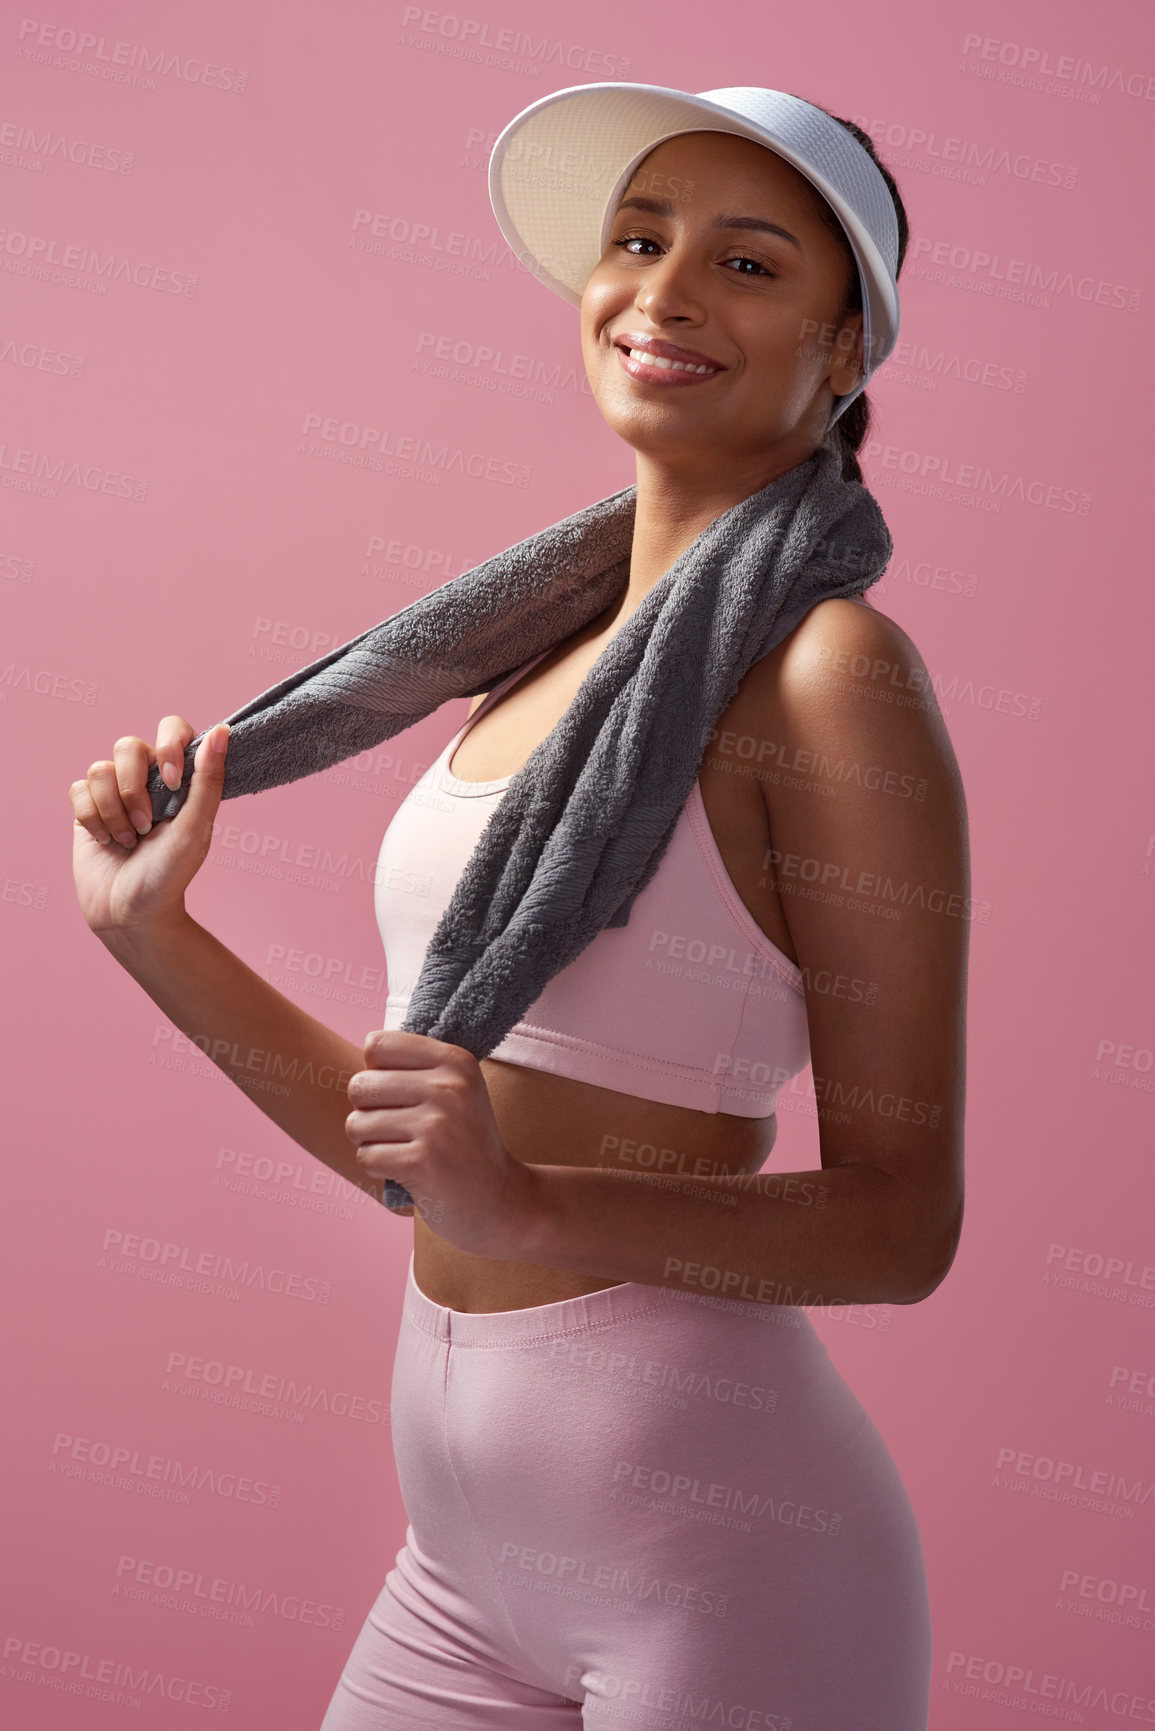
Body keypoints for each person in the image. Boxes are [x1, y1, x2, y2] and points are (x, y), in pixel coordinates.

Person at [69, 85, 967, 1731]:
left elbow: (904, 1225)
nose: (667, 291)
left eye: (750, 265)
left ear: (847, 357)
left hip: (721, 1568)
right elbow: (421, 1159)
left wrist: (535, 1208)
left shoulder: (832, 674)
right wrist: (151, 930)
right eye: (639, 240)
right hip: (466, 1565)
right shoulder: (530, 664)